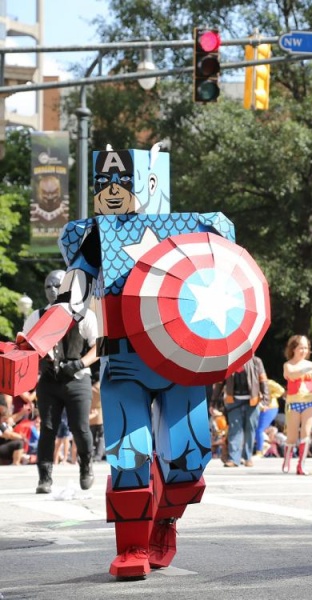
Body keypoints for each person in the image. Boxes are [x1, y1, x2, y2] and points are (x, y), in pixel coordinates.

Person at [0, 145, 271, 579]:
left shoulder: (195, 229)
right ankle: (131, 545)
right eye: (102, 183)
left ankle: (163, 521)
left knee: (188, 460)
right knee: (129, 456)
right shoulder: (93, 237)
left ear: (149, 183)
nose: (110, 191)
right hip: (124, 361)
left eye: (120, 183)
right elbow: (72, 299)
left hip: (181, 360)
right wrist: (32, 343)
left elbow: (225, 277)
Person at [24, 269, 99, 494]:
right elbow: (25, 348)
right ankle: (44, 477)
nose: (53, 290)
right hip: (48, 380)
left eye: (58, 285)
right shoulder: (36, 317)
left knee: (80, 427)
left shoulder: (84, 314)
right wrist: (39, 361)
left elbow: (100, 346)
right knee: (47, 428)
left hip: (77, 378)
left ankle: (86, 465)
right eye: (48, 286)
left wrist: (80, 363)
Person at [282, 335, 312, 475]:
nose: (304, 350)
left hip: (309, 401)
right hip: (293, 402)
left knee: (306, 432)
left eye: (306, 347)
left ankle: (301, 464)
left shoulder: (309, 365)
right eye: (301, 347)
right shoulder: (288, 365)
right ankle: (287, 458)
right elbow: (292, 375)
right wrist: (308, 369)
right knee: (292, 436)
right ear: (293, 348)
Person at [215, 355, 268, 468]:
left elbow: (263, 381)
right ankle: (234, 459)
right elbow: (220, 383)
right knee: (235, 429)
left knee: (250, 429)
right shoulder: (228, 362)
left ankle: (247, 457)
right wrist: (213, 402)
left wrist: (266, 400)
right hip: (233, 401)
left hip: (252, 401)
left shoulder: (256, 361)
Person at [255, 379, 284, 457]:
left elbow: (281, 390)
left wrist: (270, 396)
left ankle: (259, 451)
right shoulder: (252, 383)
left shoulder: (268, 383)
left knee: (259, 429)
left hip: (270, 407)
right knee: (255, 429)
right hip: (259, 408)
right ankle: (265, 443)